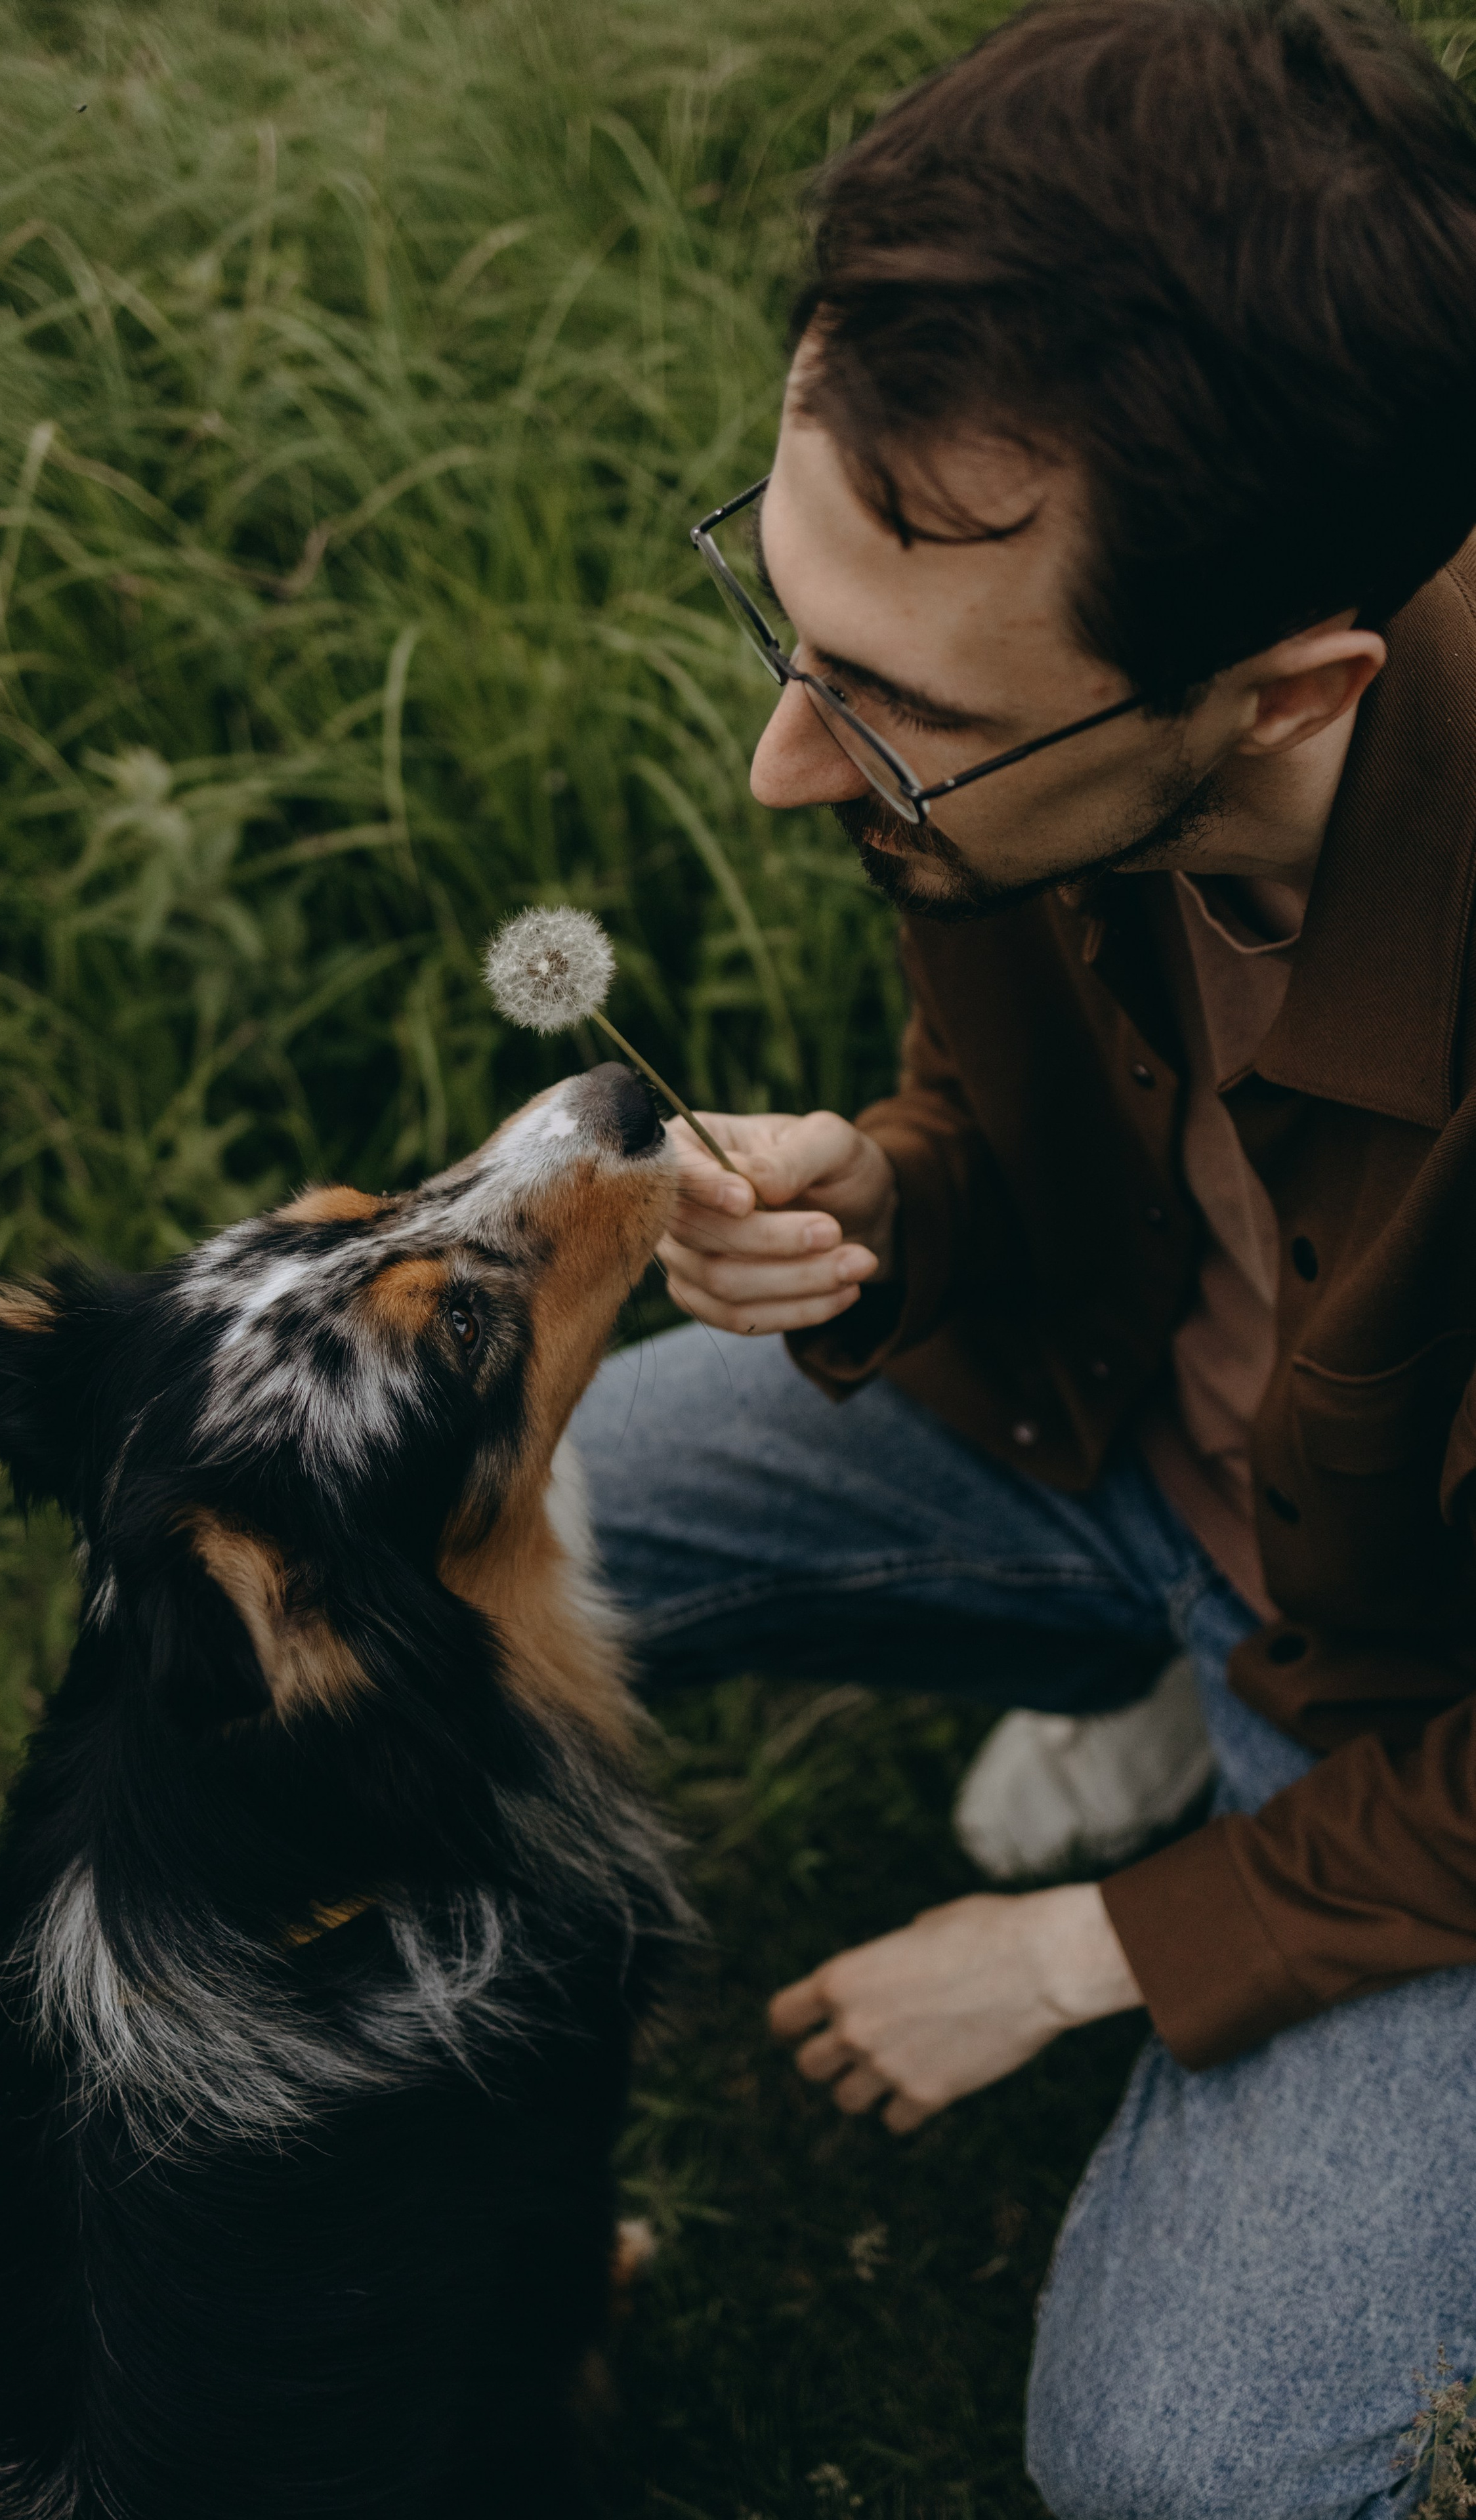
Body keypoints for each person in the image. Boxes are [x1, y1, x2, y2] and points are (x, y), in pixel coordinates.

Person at [568, 2, 1476, 2511]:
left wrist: (1099, 1948)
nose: (783, 768)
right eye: (786, 624)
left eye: (882, 708)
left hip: (1409, 1703)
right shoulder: (1030, 743)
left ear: (1298, 688)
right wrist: (897, 1200)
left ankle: (1192, 1762)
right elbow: (1020, 1112)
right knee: (491, 1529)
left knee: (1192, 2472)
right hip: (1104, 1439)